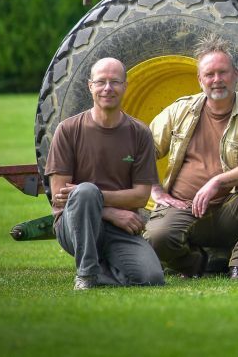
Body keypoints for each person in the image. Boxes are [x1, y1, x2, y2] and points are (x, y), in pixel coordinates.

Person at [144, 38, 238, 280]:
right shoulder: (180, 110)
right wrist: (155, 190)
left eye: (223, 72)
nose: (217, 80)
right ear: (200, 80)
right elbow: (140, 151)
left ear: (236, 74)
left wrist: (217, 182)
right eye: (209, 74)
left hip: (231, 210)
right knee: (157, 237)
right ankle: (194, 264)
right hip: (183, 208)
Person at [45, 57, 164, 290]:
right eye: (101, 82)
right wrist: (108, 211)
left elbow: (140, 196)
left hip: (120, 228)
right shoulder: (68, 130)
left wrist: (93, 199)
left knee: (152, 277)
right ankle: (86, 275)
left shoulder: (140, 133)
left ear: (125, 86)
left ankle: (102, 272)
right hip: (74, 225)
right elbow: (60, 194)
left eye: (115, 82)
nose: (107, 88)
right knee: (86, 191)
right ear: (90, 86)